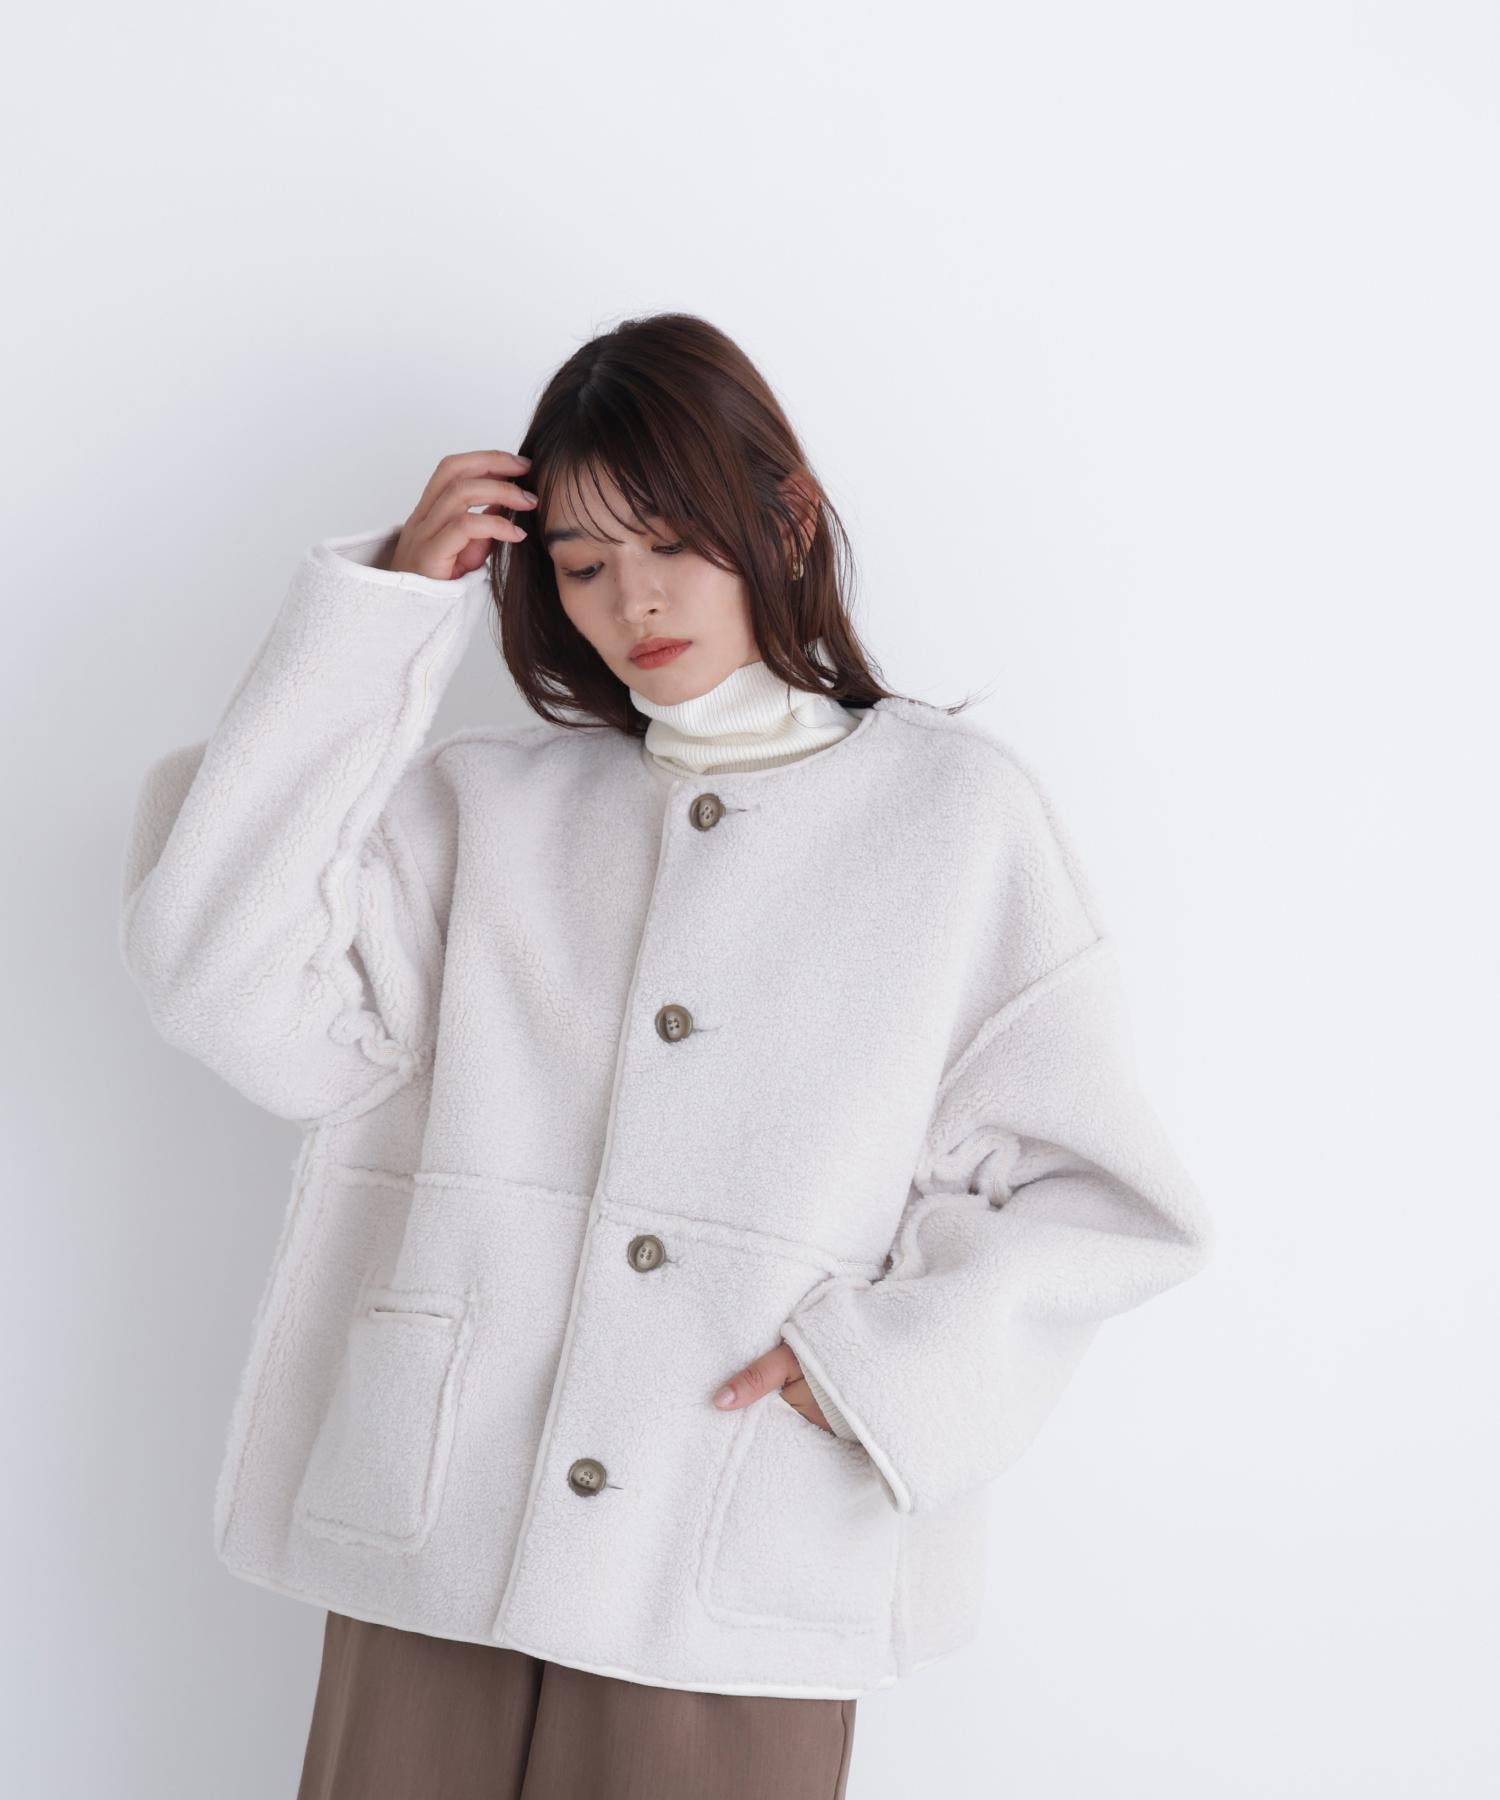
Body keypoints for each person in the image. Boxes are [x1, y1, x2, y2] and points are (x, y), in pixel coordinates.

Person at [117, 312, 1215, 1799]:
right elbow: (214, 968)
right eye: (580, 565)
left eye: (675, 545)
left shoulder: (956, 821)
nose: (633, 599)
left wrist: (876, 1377)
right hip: (444, 1523)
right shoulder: (484, 813)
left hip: (733, 1546)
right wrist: (382, 614)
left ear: (787, 522)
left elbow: (1102, 1198)